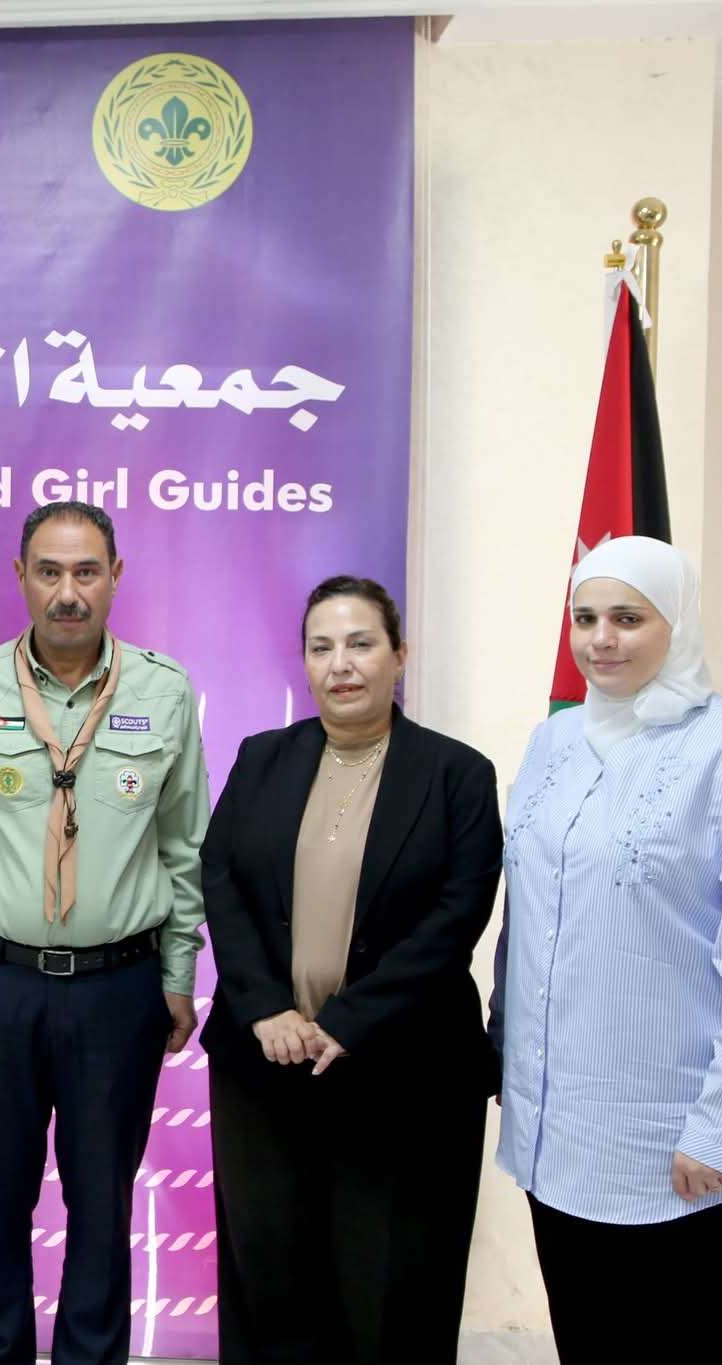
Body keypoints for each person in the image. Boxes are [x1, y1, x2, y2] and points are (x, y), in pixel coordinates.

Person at [491, 536, 722, 1365]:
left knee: (675, 1348)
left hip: (685, 1131)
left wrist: (721, 1128)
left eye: (628, 618)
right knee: (591, 1345)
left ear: (679, 622)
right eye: (585, 618)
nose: (601, 639)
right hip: (563, 1127)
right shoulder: (554, 743)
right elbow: (530, 917)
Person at [0, 500, 207, 1365]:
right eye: (49, 571)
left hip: (119, 986)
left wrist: (177, 974)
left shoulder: (164, 690)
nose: (67, 592)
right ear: (21, 577)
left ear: (115, 577)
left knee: (102, 1201)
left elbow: (184, 847)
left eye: (85, 571)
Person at [199, 575, 502, 1364]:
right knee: (272, 1287)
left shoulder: (457, 774)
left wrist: (349, 1021)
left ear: (400, 654)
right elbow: (221, 878)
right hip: (266, 1067)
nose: (342, 663)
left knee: (392, 1293)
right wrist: (265, 1007)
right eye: (322, 646)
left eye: (362, 643)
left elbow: (456, 918)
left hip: (406, 1074)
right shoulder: (262, 757)